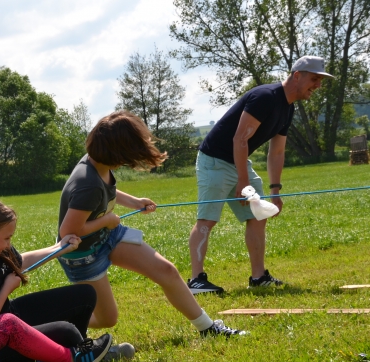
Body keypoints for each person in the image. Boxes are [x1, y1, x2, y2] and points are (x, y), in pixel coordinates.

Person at [56, 110, 244, 337]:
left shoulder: (97, 165)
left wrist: (134, 202)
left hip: (107, 236)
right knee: (107, 319)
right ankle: (57, 322)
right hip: (83, 255)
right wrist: (107, 220)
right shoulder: (87, 183)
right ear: (117, 151)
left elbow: (106, 193)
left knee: (167, 270)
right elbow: (68, 232)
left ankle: (207, 328)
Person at [0, 196, 134, 362]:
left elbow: (21, 262)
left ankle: (78, 352)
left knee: (85, 295)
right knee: (66, 330)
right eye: (6, 238)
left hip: (11, 317)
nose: (8, 244)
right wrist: (5, 290)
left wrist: (59, 248)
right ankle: (83, 357)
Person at [187, 56, 333, 294]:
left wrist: (275, 190)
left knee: (258, 214)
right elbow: (240, 138)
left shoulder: (288, 108)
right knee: (208, 219)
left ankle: (258, 277)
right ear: (297, 75)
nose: (317, 85)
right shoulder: (265, 97)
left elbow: (277, 152)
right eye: (314, 79)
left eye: (320, 81)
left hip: (239, 161)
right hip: (214, 160)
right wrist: (243, 181)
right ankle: (196, 281)